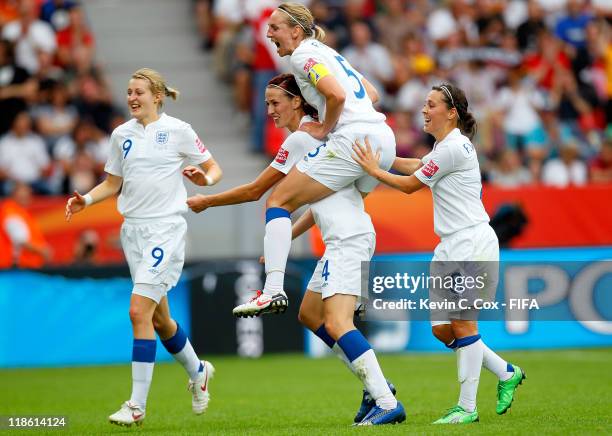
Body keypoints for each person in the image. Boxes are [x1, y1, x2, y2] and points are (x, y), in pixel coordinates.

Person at [187, 73, 405, 426]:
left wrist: (207, 202)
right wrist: (285, 236)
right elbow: (317, 205)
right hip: (349, 236)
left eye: (276, 102)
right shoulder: (321, 139)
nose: (270, 110)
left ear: (298, 102)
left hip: (348, 240)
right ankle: (376, 385)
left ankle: (385, 399)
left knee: (337, 322)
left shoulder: (303, 138)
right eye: (267, 103)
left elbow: (256, 192)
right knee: (310, 315)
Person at [352, 83, 526, 424]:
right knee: (444, 330)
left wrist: (372, 169)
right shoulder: (443, 149)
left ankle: (467, 408)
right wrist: (383, 159)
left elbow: (411, 184)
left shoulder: (456, 147)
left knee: (463, 322)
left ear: (451, 113)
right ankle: (506, 372)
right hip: (449, 245)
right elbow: (420, 164)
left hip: (470, 241)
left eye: (431, 104)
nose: (424, 110)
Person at [65, 68, 223, 427]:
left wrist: (206, 179)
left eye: (139, 92)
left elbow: (214, 168)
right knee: (160, 319)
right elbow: (113, 182)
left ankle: (136, 405)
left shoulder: (179, 130)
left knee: (138, 311)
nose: (132, 98)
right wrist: (86, 200)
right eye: (128, 92)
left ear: (157, 96)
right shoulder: (121, 134)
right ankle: (199, 371)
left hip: (164, 231)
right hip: (132, 233)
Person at [233, 2, 396, 320]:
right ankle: (358, 291)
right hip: (380, 135)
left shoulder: (302, 56)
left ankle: (272, 291)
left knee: (278, 200)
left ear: (296, 30)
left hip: (352, 137)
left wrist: (324, 126)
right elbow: (371, 93)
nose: (268, 33)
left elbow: (336, 96)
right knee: (346, 206)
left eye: (275, 27)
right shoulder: (326, 52)